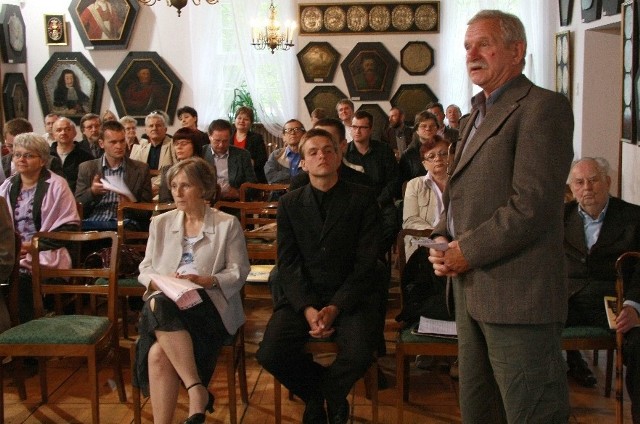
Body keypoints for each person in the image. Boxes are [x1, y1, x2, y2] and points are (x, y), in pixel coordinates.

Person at [428, 10, 574, 423]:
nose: (472, 54)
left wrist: (466, 251)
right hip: (471, 291)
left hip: (518, 295)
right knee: (480, 411)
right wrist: (442, 238)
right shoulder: (476, 113)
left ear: (517, 50)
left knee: (532, 412)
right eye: (467, 46)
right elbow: (461, 195)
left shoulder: (542, 108)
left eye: (483, 44)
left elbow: (533, 205)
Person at [256, 129, 383, 424]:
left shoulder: (363, 198)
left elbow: (366, 263)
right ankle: (321, 395)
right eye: (313, 152)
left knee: (360, 352)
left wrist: (336, 306)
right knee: (270, 353)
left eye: (328, 150)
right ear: (303, 162)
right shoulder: (290, 203)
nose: (321, 156)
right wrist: (309, 308)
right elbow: (287, 263)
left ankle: (325, 396)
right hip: (304, 296)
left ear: (339, 157)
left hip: (352, 296)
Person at [134, 157, 250, 424]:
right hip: (169, 301)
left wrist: (205, 280)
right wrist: (162, 280)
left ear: (204, 188)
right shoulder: (160, 223)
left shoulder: (226, 224)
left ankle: (196, 391)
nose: (177, 191)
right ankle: (197, 389)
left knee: (159, 308)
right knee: (158, 350)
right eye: (173, 185)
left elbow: (239, 271)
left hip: (210, 305)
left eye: (185, 185)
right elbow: (145, 268)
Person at [564, 158, 640, 398]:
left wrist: (634, 305)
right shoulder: (558, 218)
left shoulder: (633, 217)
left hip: (616, 302)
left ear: (607, 182)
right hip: (569, 301)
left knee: (638, 345)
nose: (587, 187)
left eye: (594, 180)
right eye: (579, 182)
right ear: (572, 188)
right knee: (527, 332)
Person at [0, 133, 80, 323]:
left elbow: (69, 229)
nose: (21, 159)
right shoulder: (7, 185)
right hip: (13, 253)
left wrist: (29, 246)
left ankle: (29, 337)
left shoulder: (57, 185)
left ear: (43, 159)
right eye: (17, 154)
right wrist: (12, 249)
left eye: (28, 155)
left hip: (47, 252)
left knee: (19, 278)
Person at [75, 120, 152, 231]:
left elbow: (147, 212)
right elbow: (77, 205)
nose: (119, 146)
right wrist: (92, 192)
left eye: (122, 141)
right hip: (93, 222)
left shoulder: (140, 169)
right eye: (113, 142)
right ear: (101, 144)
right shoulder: (87, 168)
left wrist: (130, 204)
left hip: (124, 222)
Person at [344, 110, 398, 256]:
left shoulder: (384, 150)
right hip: (353, 204)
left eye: (362, 127)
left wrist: (380, 201)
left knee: (392, 225)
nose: (357, 131)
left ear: (370, 129)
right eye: (354, 127)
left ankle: (375, 257)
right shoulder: (344, 152)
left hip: (381, 201)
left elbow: (393, 180)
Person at [289, 118, 372, 190]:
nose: (321, 154)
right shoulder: (299, 183)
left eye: (329, 142)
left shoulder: (361, 182)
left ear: (343, 145)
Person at [203, 119, 257, 201]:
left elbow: (252, 184)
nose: (221, 145)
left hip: (234, 202)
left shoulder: (242, 155)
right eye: (217, 141)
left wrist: (238, 193)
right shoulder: (201, 153)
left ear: (230, 137)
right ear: (209, 137)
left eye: (225, 141)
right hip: (208, 202)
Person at [130, 112, 177, 194]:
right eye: (151, 126)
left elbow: (175, 170)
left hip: (166, 190)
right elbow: (133, 171)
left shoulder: (173, 145)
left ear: (165, 129)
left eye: (158, 125)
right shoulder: (142, 148)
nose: (154, 128)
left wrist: (156, 185)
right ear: (146, 130)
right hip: (143, 190)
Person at [398, 111, 440, 192]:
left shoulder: (445, 150)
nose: (428, 129)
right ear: (417, 130)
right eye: (423, 126)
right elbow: (403, 182)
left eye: (432, 126)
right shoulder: (408, 155)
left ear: (437, 129)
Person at [50, 117, 94, 192]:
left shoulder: (86, 157)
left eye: (67, 129)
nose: (63, 133)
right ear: (53, 135)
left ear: (75, 133)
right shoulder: (46, 156)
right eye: (59, 130)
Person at [158, 127, 202, 203]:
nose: (179, 147)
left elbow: (208, 198)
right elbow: (164, 200)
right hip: (173, 211)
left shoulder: (204, 169)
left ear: (195, 146)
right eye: (176, 144)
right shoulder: (168, 170)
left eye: (184, 143)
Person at [230, 107, 267, 183]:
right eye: (239, 118)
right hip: (231, 175)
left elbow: (262, 160)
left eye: (246, 119)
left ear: (251, 123)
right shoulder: (228, 137)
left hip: (250, 176)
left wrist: (249, 163)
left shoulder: (257, 138)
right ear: (235, 120)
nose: (241, 121)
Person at [264, 119, 305, 184]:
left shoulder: (310, 154)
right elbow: (270, 176)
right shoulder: (276, 154)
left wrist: (284, 176)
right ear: (283, 137)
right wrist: (295, 175)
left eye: (296, 129)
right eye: (288, 130)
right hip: (280, 192)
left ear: (304, 134)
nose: (292, 133)